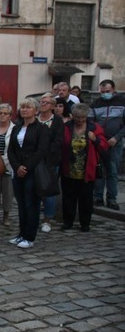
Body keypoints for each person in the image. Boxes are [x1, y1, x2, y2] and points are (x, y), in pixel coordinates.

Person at [7, 98, 49, 249]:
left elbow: (41, 151)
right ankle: (21, 233)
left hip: (32, 171)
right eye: (22, 107)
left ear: (36, 111)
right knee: (21, 204)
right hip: (18, 170)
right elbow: (11, 150)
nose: (24, 109)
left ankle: (30, 236)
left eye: (28, 107)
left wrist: (26, 167)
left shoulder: (41, 128)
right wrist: (17, 166)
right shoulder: (16, 128)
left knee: (31, 204)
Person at [60, 103, 108, 232]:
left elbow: (104, 145)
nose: (80, 120)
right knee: (68, 198)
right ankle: (68, 221)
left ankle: (85, 223)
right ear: (72, 116)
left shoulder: (94, 127)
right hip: (69, 168)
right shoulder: (66, 127)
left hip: (87, 169)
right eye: (77, 117)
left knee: (86, 199)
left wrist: (95, 140)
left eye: (83, 118)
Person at [89, 79, 125, 210]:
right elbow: (90, 122)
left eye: (107, 92)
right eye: (102, 92)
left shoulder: (122, 102)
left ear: (113, 89)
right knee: (99, 169)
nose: (104, 94)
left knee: (112, 170)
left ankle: (111, 198)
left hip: (115, 142)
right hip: (100, 141)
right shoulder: (96, 103)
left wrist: (117, 137)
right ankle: (98, 197)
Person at [37, 93, 64, 231]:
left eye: (46, 102)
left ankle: (47, 219)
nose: (43, 104)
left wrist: (45, 154)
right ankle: (33, 217)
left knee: (49, 191)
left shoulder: (57, 121)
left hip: (50, 161)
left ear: (53, 106)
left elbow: (57, 141)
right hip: (34, 161)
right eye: (41, 102)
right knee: (33, 191)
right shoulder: (35, 119)